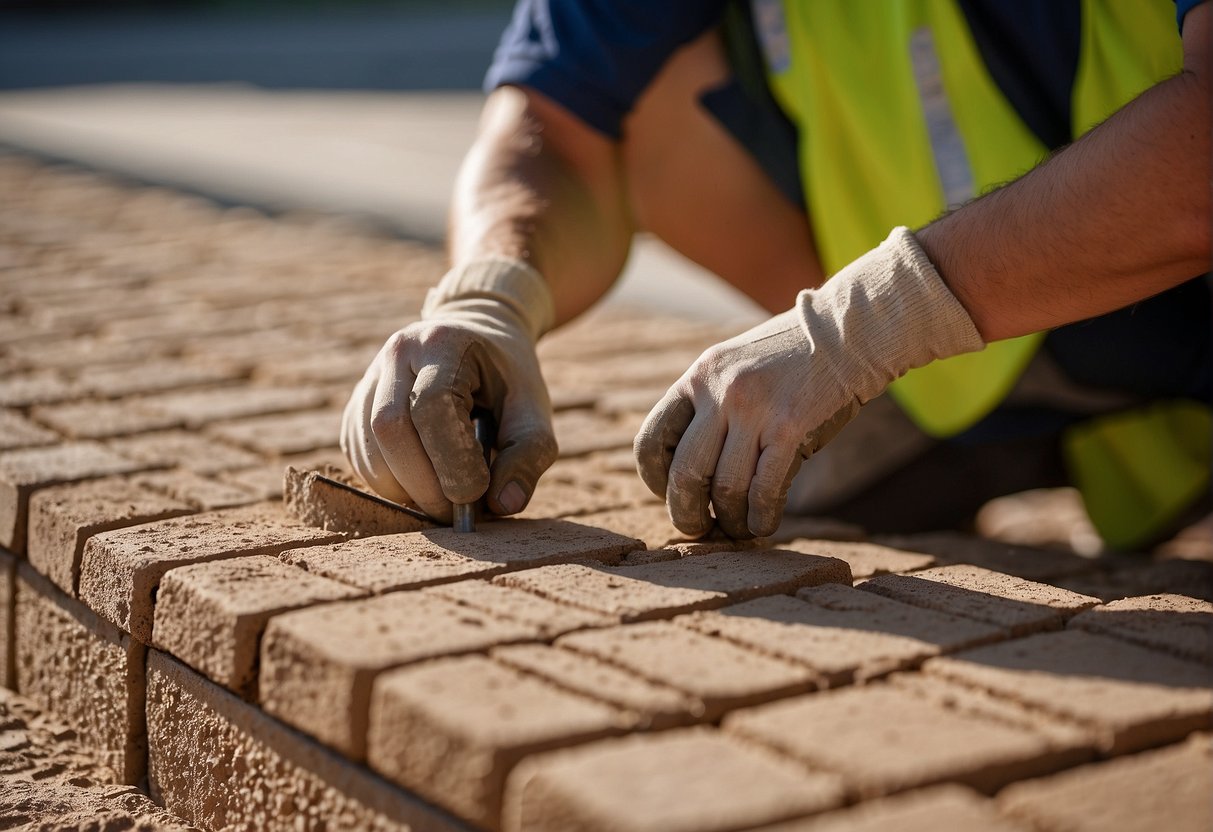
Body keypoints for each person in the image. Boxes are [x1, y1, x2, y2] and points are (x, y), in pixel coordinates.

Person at [342, 0, 1210, 550]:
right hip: (963, 355)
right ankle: (915, 413)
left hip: (1177, 293)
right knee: (637, 88)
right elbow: (550, 126)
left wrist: (865, 326)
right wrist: (488, 297)